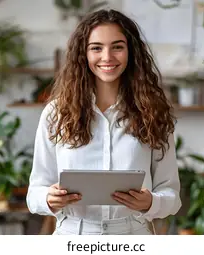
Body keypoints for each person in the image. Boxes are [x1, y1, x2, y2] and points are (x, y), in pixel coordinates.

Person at [26, 9, 181, 235]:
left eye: (117, 47)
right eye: (96, 48)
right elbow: (34, 194)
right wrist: (48, 198)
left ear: (131, 52)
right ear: (83, 54)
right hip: (73, 235)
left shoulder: (152, 112)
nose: (107, 57)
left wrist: (150, 203)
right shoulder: (56, 112)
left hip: (133, 234)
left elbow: (172, 196)